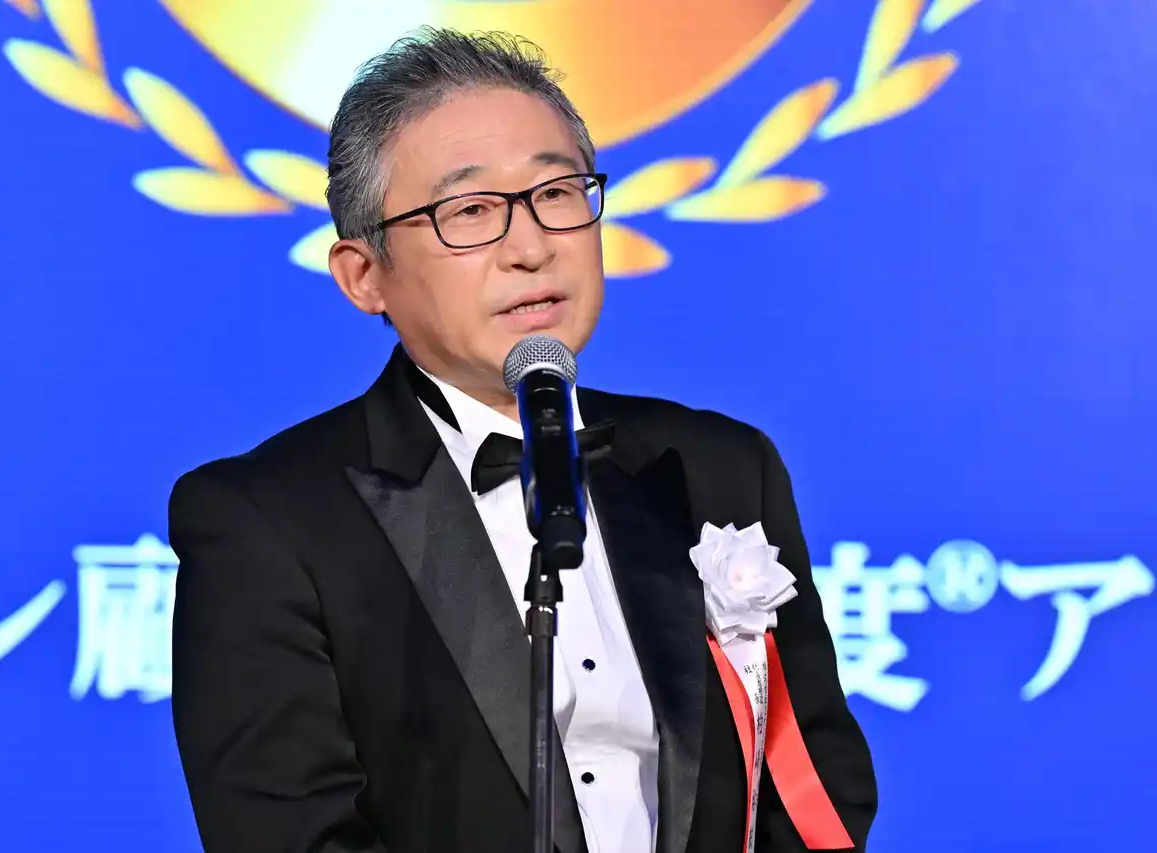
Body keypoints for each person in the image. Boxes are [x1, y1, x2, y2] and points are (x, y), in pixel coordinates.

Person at [168, 27, 876, 853]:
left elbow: (814, 785)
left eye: (557, 192)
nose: (532, 246)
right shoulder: (267, 520)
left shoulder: (721, 467)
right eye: (470, 211)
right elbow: (291, 835)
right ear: (365, 275)